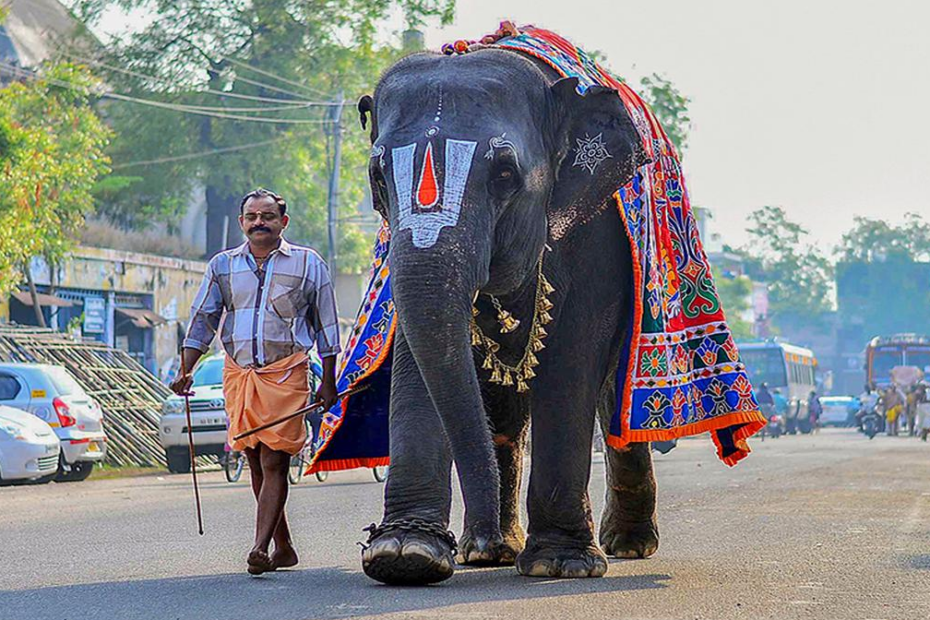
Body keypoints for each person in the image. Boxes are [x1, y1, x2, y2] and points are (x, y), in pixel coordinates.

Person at [170, 188, 340, 575]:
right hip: (239, 374)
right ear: (242, 222)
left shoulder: (308, 264)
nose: (259, 223)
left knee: (274, 459)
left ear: (284, 221)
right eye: (252, 217)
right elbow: (203, 320)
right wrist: (186, 369)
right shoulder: (222, 266)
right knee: (255, 462)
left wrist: (328, 380)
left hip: (287, 372)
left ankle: (259, 547)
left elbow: (327, 327)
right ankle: (284, 547)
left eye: (267, 216)